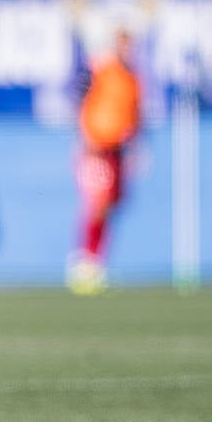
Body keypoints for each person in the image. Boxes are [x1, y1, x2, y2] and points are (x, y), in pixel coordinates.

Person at [68, 27, 142, 295]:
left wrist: (137, 147)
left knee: (111, 204)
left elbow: (135, 114)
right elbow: (79, 97)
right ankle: (85, 263)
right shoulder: (101, 69)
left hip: (118, 151)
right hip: (96, 148)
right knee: (97, 202)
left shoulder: (133, 78)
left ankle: (95, 262)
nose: (129, 50)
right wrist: (83, 135)